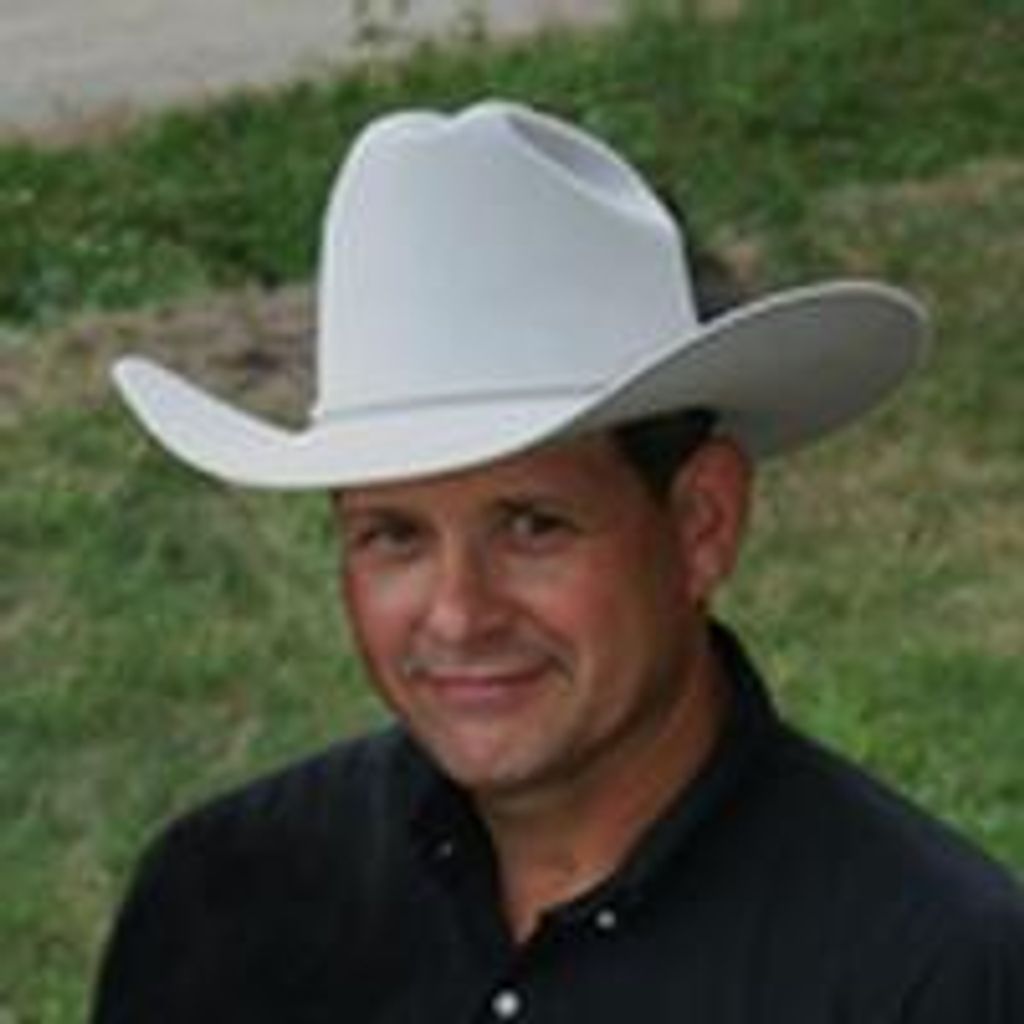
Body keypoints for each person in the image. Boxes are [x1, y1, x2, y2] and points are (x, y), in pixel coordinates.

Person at [92, 100, 1023, 1022]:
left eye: (532, 526)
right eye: (394, 535)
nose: (459, 615)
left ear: (701, 523)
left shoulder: (931, 976)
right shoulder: (224, 906)